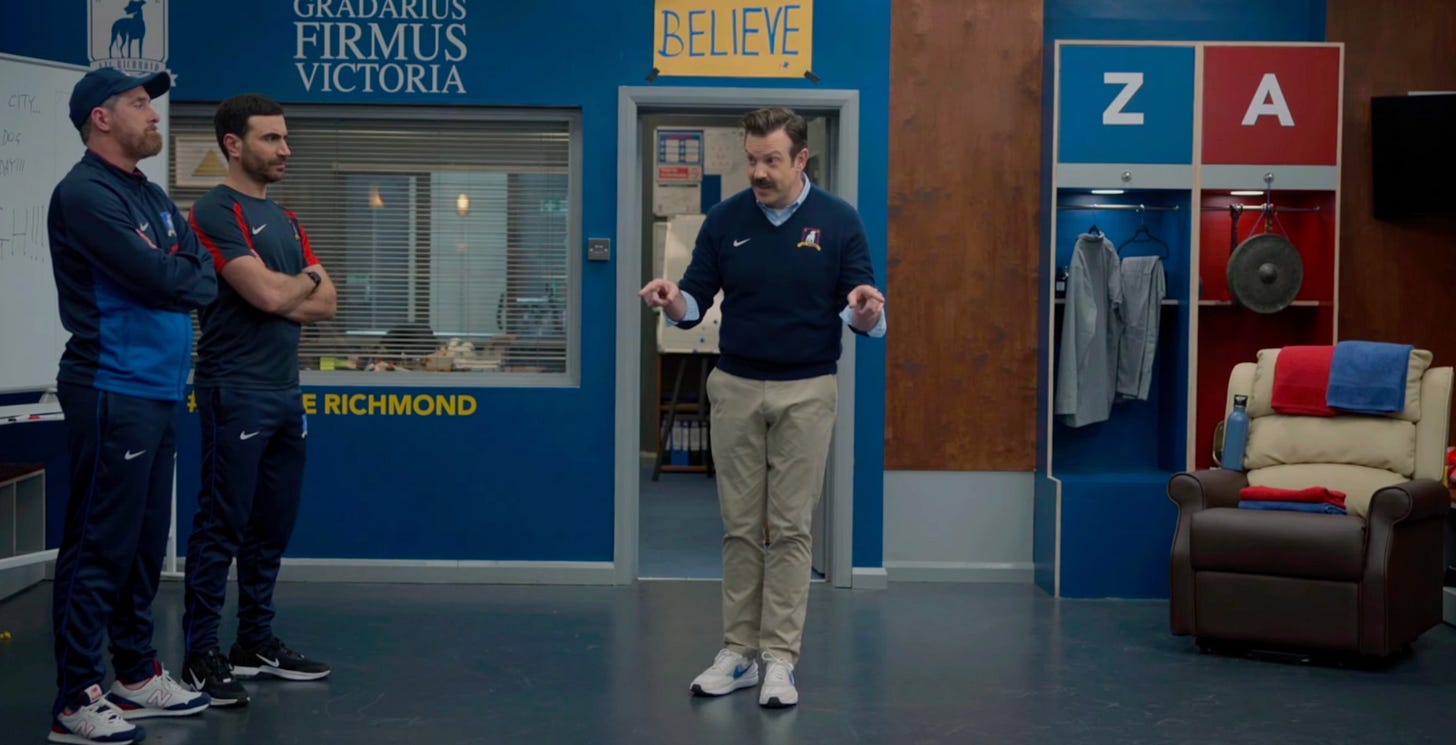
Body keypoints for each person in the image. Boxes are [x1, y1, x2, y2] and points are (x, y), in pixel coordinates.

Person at [638, 107, 886, 708]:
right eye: (751, 158)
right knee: (741, 528)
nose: (758, 171)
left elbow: (864, 310)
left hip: (808, 389)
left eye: (771, 159)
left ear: (801, 158)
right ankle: (738, 655)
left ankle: (779, 659)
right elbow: (695, 301)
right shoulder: (726, 220)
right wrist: (672, 300)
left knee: (793, 529)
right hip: (737, 385)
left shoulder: (839, 220)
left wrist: (867, 309)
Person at [47, 67, 218, 745]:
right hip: (111, 386)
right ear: (101, 118)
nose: (155, 114)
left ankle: (135, 671)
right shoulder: (85, 193)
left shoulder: (147, 195)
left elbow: (198, 272)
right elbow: (159, 275)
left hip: (157, 389)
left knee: (144, 546)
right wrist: (179, 270)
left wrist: (180, 268)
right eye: (140, 103)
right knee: (100, 545)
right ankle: (74, 696)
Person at [180, 93, 337, 707]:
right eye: (271, 139)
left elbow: (327, 303)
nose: (285, 149)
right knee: (221, 526)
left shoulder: (289, 221)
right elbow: (271, 299)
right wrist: (303, 281)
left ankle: (254, 643)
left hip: (283, 391)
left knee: (272, 525)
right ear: (233, 144)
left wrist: (293, 286)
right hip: (234, 389)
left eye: (285, 138)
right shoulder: (214, 212)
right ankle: (199, 655)